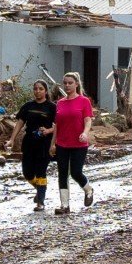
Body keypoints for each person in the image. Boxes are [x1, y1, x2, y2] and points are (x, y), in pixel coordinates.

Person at [11, 79, 58, 211]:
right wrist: (12, 139)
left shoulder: (52, 107)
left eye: (41, 89)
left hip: (45, 143)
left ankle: (41, 202)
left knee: (41, 171)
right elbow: (20, 123)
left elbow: (59, 126)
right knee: (27, 173)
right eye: (35, 88)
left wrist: (48, 131)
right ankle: (40, 189)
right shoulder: (27, 106)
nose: (37, 91)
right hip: (29, 142)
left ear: (46, 91)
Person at [52, 70, 96, 213]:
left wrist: (85, 132)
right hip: (62, 144)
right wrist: (53, 143)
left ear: (76, 84)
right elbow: (57, 125)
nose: (67, 86)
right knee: (62, 173)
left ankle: (88, 189)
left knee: (76, 172)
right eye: (65, 83)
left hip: (78, 143)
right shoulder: (60, 103)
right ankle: (64, 205)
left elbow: (88, 120)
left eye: (70, 83)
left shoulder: (84, 101)